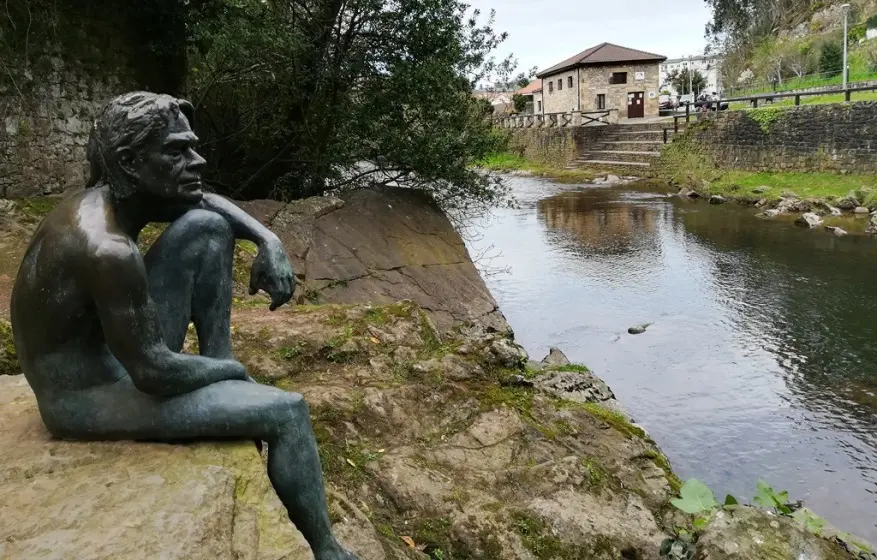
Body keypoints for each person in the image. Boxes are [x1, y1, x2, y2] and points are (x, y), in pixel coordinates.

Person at [10, 91, 358, 560]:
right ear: (131, 162)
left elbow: (203, 200)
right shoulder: (107, 249)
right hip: (86, 397)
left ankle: (222, 383)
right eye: (177, 152)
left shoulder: (110, 195)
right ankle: (328, 552)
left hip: (117, 354)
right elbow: (153, 373)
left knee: (207, 226)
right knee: (287, 412)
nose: (197, 160)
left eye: (191, 146)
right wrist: (229, 374)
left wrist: (267, 238)